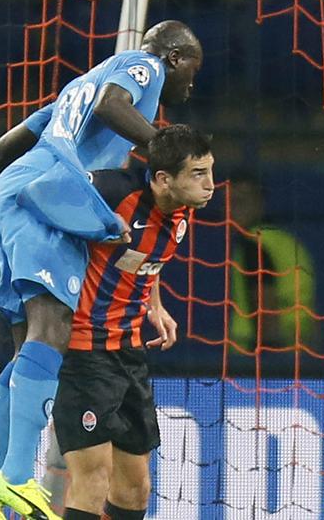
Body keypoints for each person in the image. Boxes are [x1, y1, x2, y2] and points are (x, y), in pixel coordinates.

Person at [0, 21, 202, 520]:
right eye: (191, 74)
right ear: (175, 58)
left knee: (30, 350)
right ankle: (17, 477)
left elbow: (2, 149)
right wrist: (167, 146)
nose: (189, 87)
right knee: (53, 332)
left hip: (15, 190)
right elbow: (115, 102)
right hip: (45, 194)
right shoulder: (144, 67)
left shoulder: (72, 93)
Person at [53, 125, 214, 520]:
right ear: (163, 179)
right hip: (83, 353)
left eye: (211, 172)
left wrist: (155, 306)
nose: (210, 185)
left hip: (129, 352)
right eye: (198, 174)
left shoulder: (179, 216)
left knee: (135, 490)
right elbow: (40, 192)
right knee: (92, 481)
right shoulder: (111, 192)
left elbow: (141, 259)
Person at [226, 173, 317, 354]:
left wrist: (268, 361)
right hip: (300, 350)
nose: (231, 209)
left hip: (257, 359)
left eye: (239, 202)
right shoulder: (288, 243)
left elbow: (265, 309)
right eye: (228, 202)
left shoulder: (253, 245)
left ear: (259, 203)